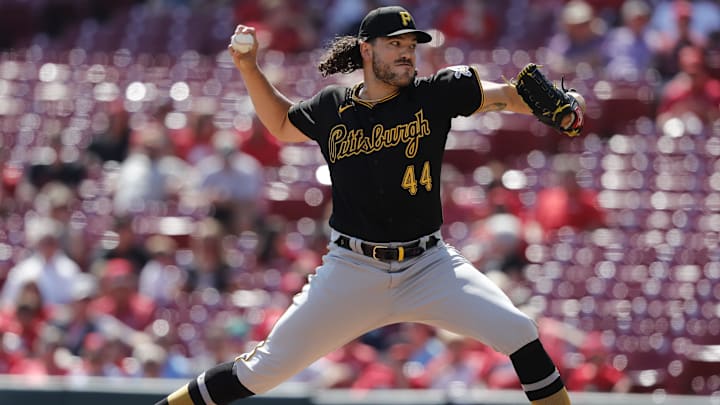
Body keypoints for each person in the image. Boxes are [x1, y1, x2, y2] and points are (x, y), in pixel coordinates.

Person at [154, 6, 580, 405]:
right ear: (366, 48)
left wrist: (556, 107)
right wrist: (249, 68)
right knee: (260, 374)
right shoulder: (334, 107)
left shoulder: (436, 94)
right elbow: (283, 124)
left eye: (411, 45)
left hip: (429, 264)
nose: (406, 53)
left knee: (519, 331)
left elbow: (504, 94)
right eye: (395, 44)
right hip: (353, 268)